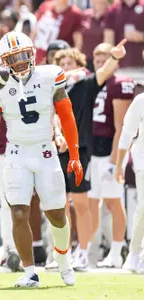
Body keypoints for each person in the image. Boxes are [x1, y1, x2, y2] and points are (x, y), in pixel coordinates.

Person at [0, 31, 82, 287]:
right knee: (17, 212)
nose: (20, 63)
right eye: (12, 58)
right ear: (3, 61)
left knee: (57, 214)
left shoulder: (50, 75)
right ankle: (29, 272)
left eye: (24, 55)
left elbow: (67, 115)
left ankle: (62, 259)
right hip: (16, 153)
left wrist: (74, 154)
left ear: (33, 53)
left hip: (45, 150)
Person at [52, 42, 126, 271]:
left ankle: (83, 252)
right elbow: (53, 116)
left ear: (79, 66)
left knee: (81, 204)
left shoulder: (85, 84)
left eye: (69, 63)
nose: (65, 67)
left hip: (80, 149)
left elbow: (102, 72)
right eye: (61, 64)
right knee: (58, 206)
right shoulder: (52, 87)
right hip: (56, 150)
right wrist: (56, 135)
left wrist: (114, 57)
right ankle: (61, 254)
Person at [88, 43, 134, 269]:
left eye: (103, 58)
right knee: (92, 202)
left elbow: (121, 126)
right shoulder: (94, 82)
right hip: (94, 151)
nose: (99, 62)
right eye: (96, 58)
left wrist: (115, 160)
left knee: (114, 203)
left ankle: (116, 251)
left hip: (110, 151)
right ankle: (89, 250)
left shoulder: (119, 83)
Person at [115, 92, 144, 273]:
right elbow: (127, 132)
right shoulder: (140, 101)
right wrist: (119, 164)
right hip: (142, 159)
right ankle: (135, 252)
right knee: (143, 207)